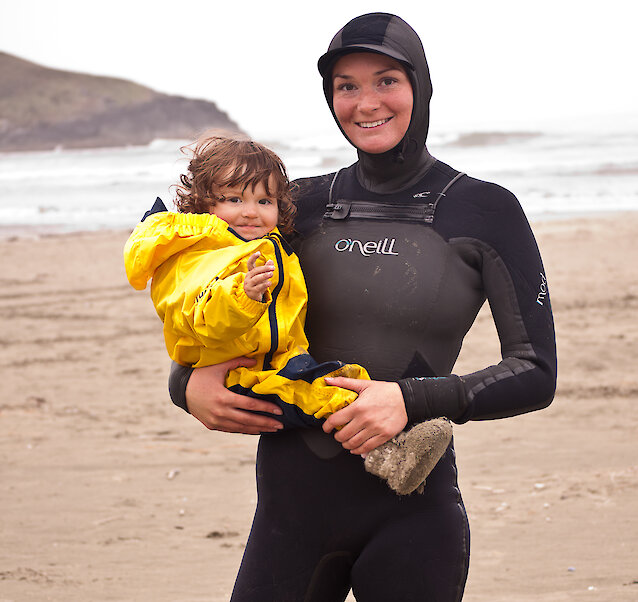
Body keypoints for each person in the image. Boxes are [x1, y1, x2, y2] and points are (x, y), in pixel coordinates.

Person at [166, 13, 557, 601]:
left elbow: (534, 371)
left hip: (413, 515)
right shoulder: (295, 205)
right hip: (288, 515)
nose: (366, 102)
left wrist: (410, 398)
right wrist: (187, 384)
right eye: (346, 86)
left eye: (386, 80)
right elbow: (208, 310)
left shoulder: (483, 210)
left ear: (419, 88)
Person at [124, 134, 452, 494]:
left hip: (273, 359)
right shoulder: (203, 255)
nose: (251, 211)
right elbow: (198, 313)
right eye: (233, 199)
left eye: (264, 200)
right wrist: (242, 297)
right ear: (203, 204)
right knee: (322, 395)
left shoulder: (257, 243)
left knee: (336, 382)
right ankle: (389, 458)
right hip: (246, 370)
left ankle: (395, 452)